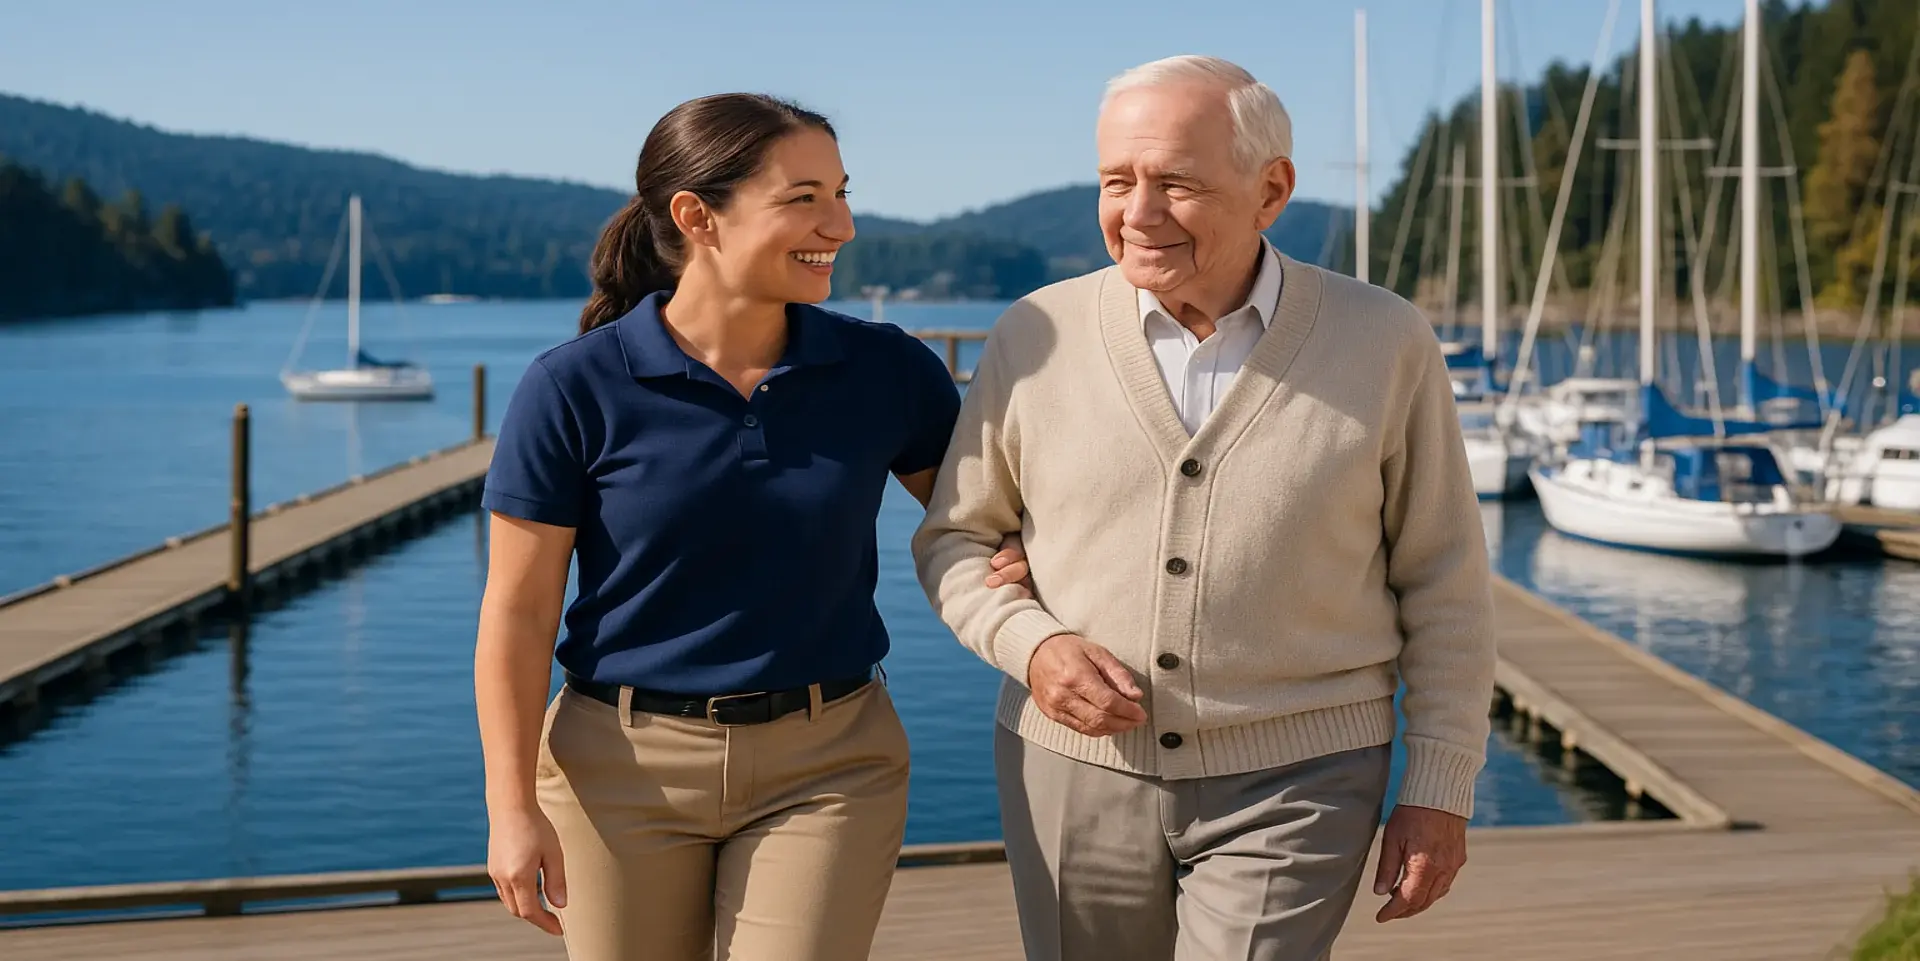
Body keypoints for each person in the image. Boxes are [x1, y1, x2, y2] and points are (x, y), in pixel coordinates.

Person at [911, 55, 1498, 961]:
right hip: (1069, 770)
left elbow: (1446, 580)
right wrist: (1033, 645)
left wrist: (1441, 783)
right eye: (1116, 181)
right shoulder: (1035, 334)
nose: (1138, 214)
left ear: (1272, 189)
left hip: (1301, 778)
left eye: (1176, 183)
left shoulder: (1385, 340)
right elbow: (956, 539)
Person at [472, 92, 1021, 961]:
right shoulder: (574, 387)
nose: (838, 224)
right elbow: (518, 612)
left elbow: (983, 522)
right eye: (803, 197)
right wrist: (512, 808)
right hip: (615, 770)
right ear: (697, 216)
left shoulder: (883, 370)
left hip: (832, 763)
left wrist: (1032, 574)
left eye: (842, 193)